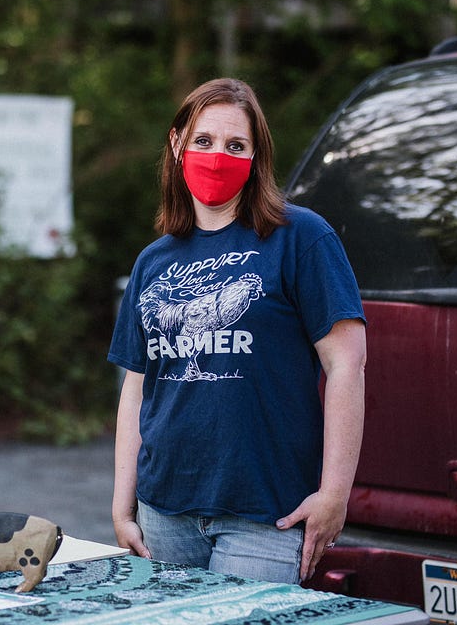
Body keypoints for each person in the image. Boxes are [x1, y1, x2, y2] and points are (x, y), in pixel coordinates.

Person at [109, 77, 366, 585]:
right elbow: (138, 386)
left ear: (256, 156)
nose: (217, 156)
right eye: (203, 141)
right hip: (164, 511)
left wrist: (334, 491)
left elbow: (347, 365)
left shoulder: (301, 239)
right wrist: (124, 503)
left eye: (236, 145)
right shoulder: (153, 260)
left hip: (265, 514)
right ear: (178, 143)